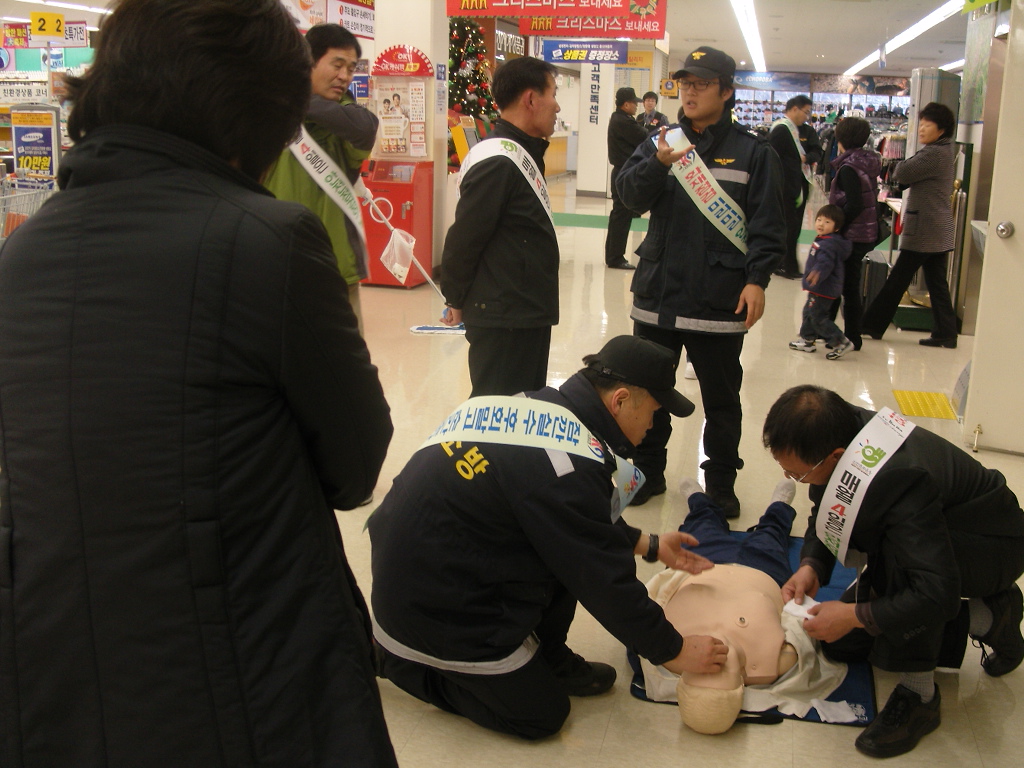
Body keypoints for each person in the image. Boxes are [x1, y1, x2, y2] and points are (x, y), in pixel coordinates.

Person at [0, 1, 396, 766]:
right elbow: (356, 466)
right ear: (256, 113)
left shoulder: (23, 254)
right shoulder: (268, 242)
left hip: (58, 671)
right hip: (243, 664)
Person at [369, 336, 730, 740]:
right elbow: (602, 578)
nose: (653, 425)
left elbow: (574, 521)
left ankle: (548, 654)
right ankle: (393, 663)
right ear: (621, 400)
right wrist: (673, 650)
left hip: (437, 564)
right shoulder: (564, 465)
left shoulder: (542, 407)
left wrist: (649, 543)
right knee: (541, 714)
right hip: (433, 607)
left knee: (559, 553)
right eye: (654, 412)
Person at [762, 385, 1024, 758]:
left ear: (836, 457)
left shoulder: (902, 478)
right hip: (934, 537)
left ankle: (919, 696)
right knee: (843, 642)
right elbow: (830, 504)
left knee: (894, 578)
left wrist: (854, 614)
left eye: (798, 475)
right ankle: (991, 618)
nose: (792, 478)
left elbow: (933, 591)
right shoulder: (839, 428)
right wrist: (812, 565)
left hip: (991, 547)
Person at [616, 46, 786, 515]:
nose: (689, 92)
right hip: (658, 294)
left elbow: (769, 224)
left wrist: (757, 279)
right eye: (685, 83)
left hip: (719, 299)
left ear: (727, 92)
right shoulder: (661, 141)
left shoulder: (754, 152)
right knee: (647, 391)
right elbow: (627, 196)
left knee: (721, 400)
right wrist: (658, 164)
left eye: (702, 84)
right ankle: (646, 472)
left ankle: (721, 482)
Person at [641, 477, 848, 734]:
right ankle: (780, 506)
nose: (713, 662)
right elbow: (799, 628)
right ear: (741, 684)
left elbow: (646, 604)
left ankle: (698, 500)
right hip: (763, 572)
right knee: (771, 534)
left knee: (702, 524)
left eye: (701, 674)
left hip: (701, 564)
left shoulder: (664, 652)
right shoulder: (776, 664)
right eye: (722, 673)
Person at [439, 56, 561, 397]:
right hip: (504, 315)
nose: (557, 106)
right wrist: (455, 297)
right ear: (531, 99)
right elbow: (465, 238)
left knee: (522, 407)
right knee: (497, 410)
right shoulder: (499, 161)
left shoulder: (523, 151)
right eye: (553, 94)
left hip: (524, 310)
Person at [264, 23, 377, 334]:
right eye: (337, 64)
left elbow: (365, 128)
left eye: (351, 68)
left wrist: (293, 97)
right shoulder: (268, 117)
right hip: (276, 261)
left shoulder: (345, 117)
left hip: (336, 267)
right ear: (309, 61)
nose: (344, 76)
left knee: (344, 359)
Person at [862, 102, 959, 348]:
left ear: (942, 129)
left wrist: (901, 166)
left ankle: (871, 325)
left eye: (928, 125)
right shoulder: (942, 150)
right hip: (936, 226)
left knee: (898, 279)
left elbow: (901, 173)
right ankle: (946, 332)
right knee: (936, 283)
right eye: (921, 124)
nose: (921, 129)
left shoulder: (933, 153)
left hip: (925, 228)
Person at [826, 116, 882, 351]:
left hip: (850, 234)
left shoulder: (849, 168)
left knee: (840, 285)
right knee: (848, 285)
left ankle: (842, 335)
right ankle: (845, 334)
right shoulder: (867, 162)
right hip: (865, 232)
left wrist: (836, 225)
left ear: (840, 139)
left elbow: (855, 204)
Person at [788, 204, 854, 360]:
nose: (821, 224)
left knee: (818, 317)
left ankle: (841, 342)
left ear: (836, 227)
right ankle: (807, 339)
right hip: (818, 287)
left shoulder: (828, 244)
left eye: (827, 222)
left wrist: (817, 273)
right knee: (809, 312)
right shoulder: (824, 239)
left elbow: (825, 262)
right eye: (819, 220)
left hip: (823, 288)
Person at [768, 94, 822, 279]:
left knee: (794, 225)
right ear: (794, 109)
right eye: (805, 112)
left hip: (799, 183)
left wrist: (806, 158)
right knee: (787, 226)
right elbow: (771, 157)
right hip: (785, 186)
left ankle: (788, 263)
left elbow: (817, 152)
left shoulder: (806, 131)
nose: (807, 116)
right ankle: (785, 264)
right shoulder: (781, 130)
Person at [605, 86, 648, 270]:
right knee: (621, 216)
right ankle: (615, 257)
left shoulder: (621, 119)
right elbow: (643, 136)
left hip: (623, 171)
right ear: (625, 104)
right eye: (634, 103)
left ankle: (614, 255)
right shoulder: (623, 121)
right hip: (623, 172)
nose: (637, 106)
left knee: (621, 215)